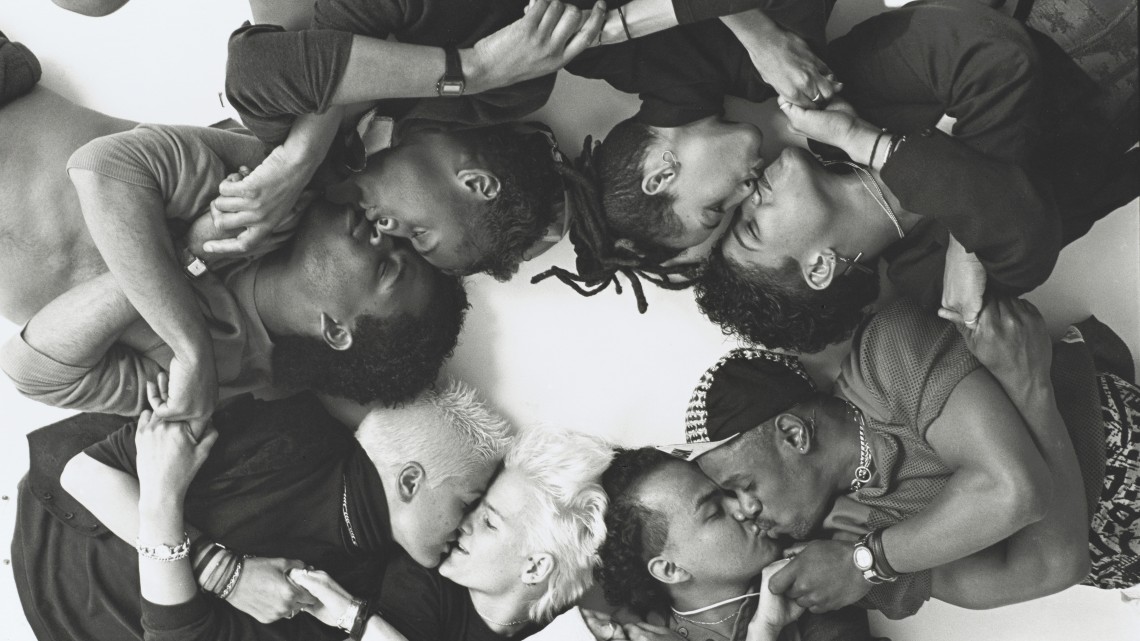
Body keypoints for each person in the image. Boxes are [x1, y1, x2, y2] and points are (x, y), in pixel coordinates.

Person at [0, 81, 468, 419]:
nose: (380, 232)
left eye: (386, 267)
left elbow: (32, 370)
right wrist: (198, 268)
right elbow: (101, 171)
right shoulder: (267, 194)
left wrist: (192, 262)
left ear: (335, 330)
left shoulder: (219, 377)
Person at [693, 0, 1138, 351]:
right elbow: (1029, 234)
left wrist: (865, 140)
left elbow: (1000, 57)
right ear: (820, 267)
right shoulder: (931, 284)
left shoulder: (835, 94)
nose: (749, 195)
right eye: (751, 227)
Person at [663, 296, 1139, 618]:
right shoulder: (844, 542)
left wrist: (868, 561)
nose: (744, 513)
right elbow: (1054, 566)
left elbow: (1013, 492)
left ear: (792, 434)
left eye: (741, 488)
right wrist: (1027, 389)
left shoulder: (885, 356)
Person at [13, 380, 514, 640]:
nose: (467, 527)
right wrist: (220, 570)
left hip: (70, 626)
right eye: (469, 504)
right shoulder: (292, 424)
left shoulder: (363, 585)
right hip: (49, 531)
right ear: (410, 481)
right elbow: (81, 473)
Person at [278, 424, 613, 640]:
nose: (463, 523)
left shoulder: (562, 631)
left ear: (536, 567)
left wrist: (353, 617)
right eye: (476, 507)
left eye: (489, 522)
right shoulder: (423, 578)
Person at [586, 447, 873, 641]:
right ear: (670, 569)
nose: (744, 507)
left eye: (726, 492)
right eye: (715, 512)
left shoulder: (811, 580)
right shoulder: (636, 633)